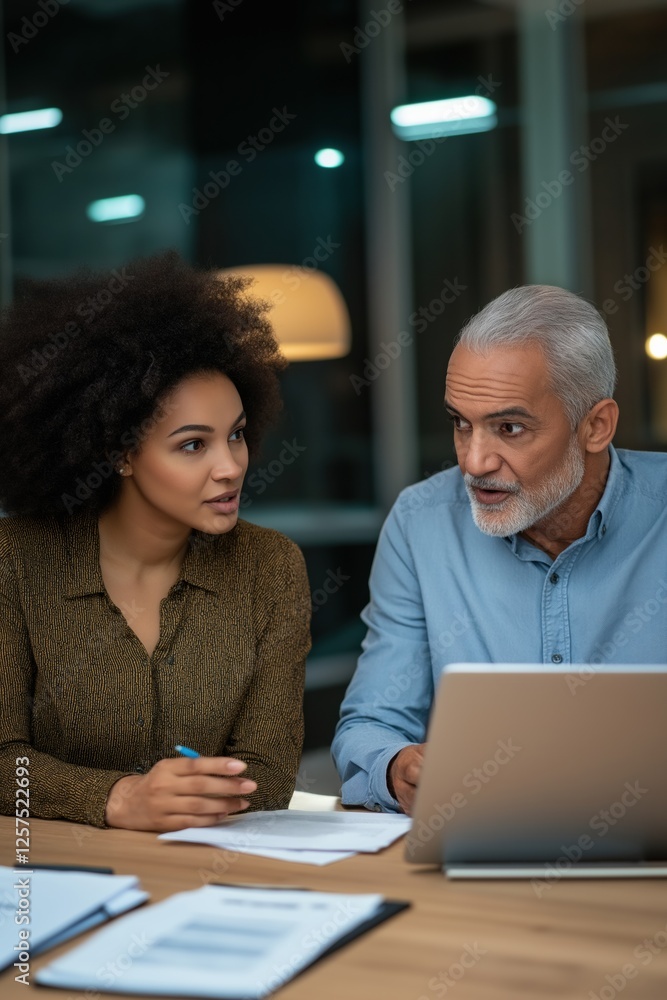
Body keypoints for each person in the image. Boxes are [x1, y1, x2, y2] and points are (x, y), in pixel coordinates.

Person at [0, 250, 311, 832]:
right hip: (49, 879)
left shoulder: (271, 567)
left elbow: (267, 778)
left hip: (207, 873)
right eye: (194, 445)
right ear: (118, 452)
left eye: (237, 435)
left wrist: (196, 795)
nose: (230, 467)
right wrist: (117, 798)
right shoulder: (14, 563)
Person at [332, 284, 667, 816]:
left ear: (596, 426)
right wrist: (397, 767)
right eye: (461, 424)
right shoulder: (421, 524)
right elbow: (371, 723)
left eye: (509, 428)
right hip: (482, 855)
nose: (474, 462)